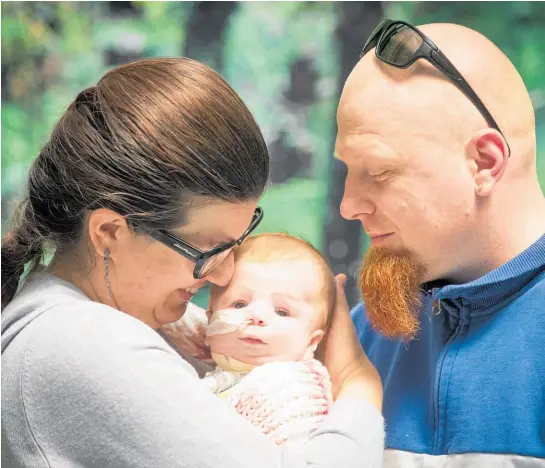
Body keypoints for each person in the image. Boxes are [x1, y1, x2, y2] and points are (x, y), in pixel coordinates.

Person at [1, 57, 384, 468]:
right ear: (110, 231)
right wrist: (359, 385)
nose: (224, 273)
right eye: (206, 251)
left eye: (236, 244)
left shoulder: (71, 324)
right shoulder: (87, 342)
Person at [335, 20, 545, 466]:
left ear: (484, 163)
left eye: (380, 171)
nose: (348, 206)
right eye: (347, 170)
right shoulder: (359, 339)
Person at [203, 233, 336, 445]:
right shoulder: (194, 362)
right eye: (239, 304)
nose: (256, 316)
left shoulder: (294, 392)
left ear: (310, 342)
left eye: (282, 312)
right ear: (209, 323)